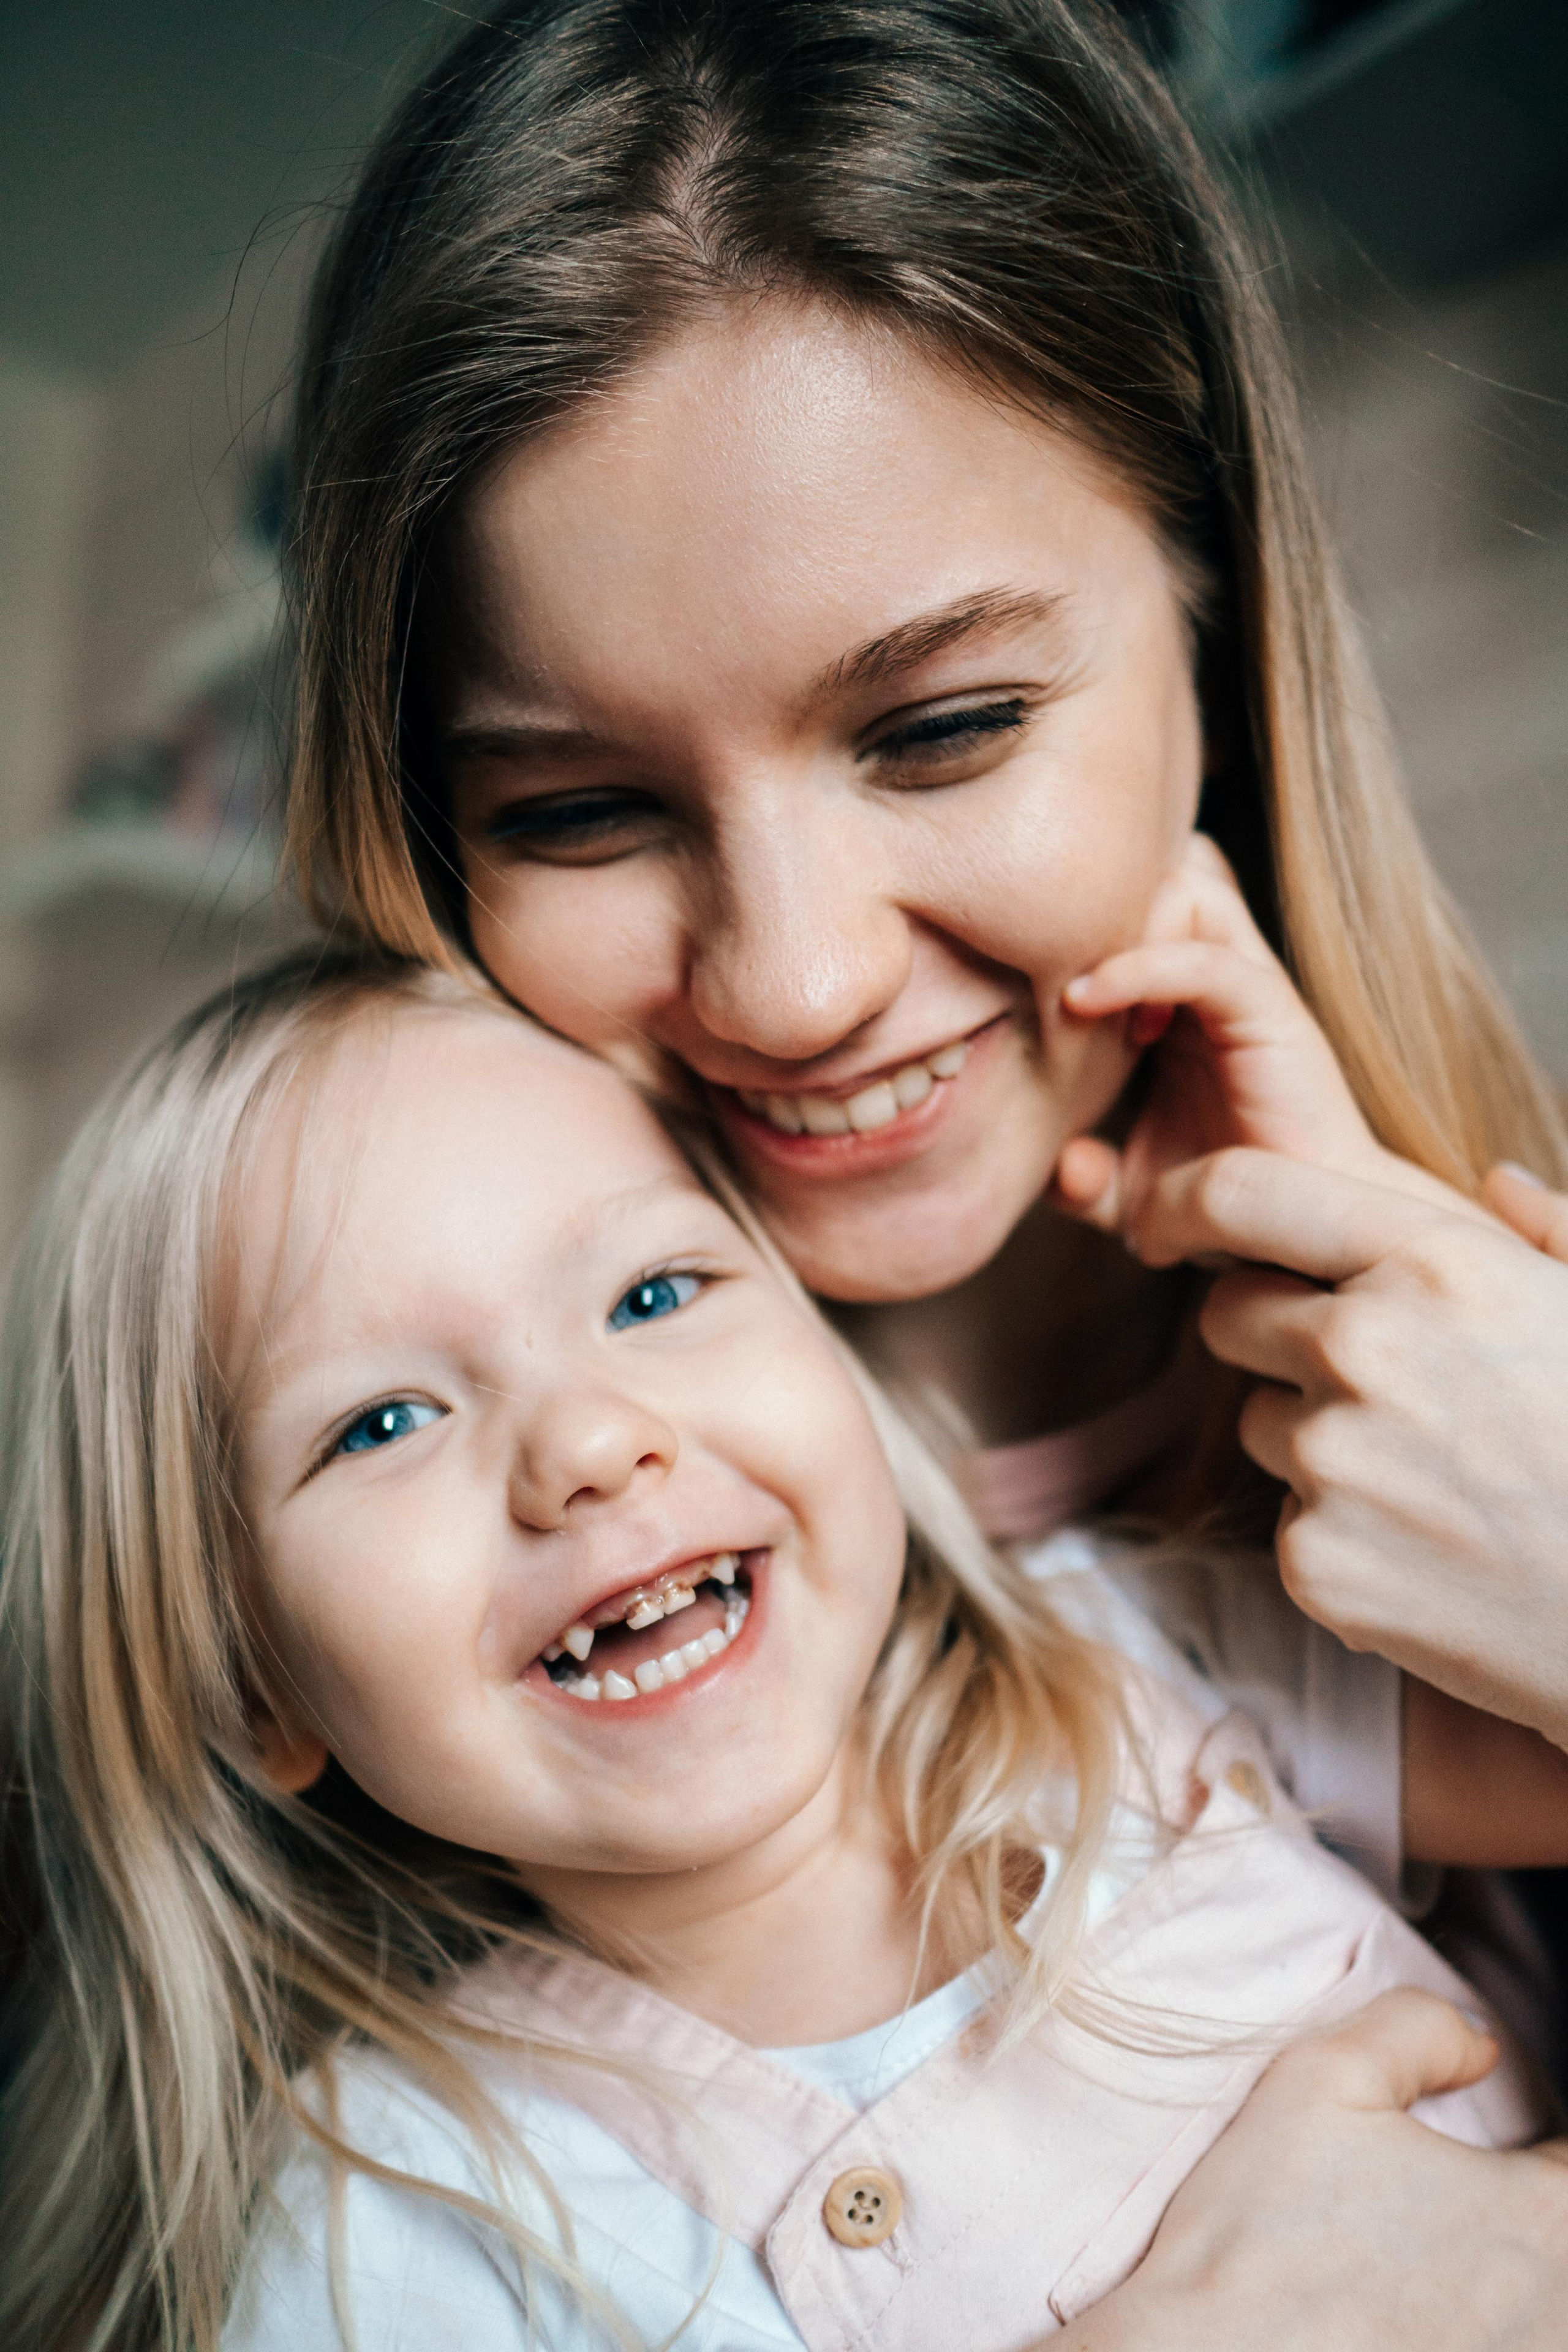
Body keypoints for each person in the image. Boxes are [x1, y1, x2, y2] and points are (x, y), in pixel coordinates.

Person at [273, 0, 1568, 2329]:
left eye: (944, 727)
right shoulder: (451, 1724)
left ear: (1218, 627)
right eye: (577, 807)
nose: (786, 979)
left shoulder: (1515, 1394)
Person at [0, 944, 1555, 2352]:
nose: (591, 1443)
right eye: (383, 1422)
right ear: (250, 1682)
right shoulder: (387, 2229)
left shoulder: (1148, 1654)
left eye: (654, 1292)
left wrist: (1388, 1254)